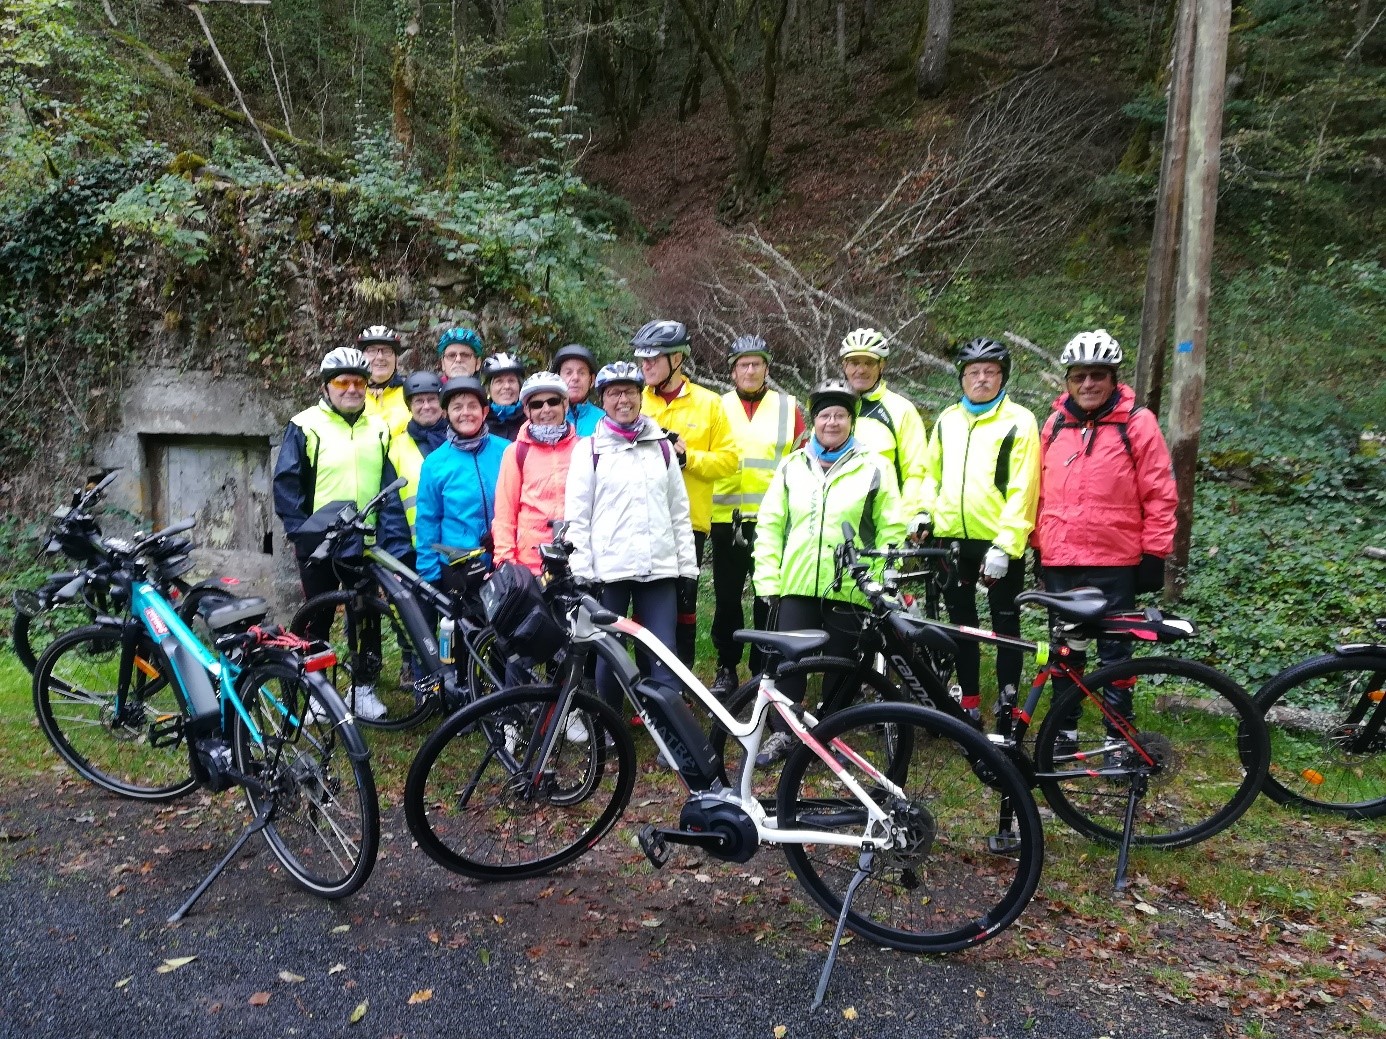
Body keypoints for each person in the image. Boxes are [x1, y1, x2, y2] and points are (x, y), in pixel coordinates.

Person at [752, 378, 906, 765]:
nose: (832, 422)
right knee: (788, 667)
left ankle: (826, 733)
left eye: (840, 415)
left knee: (841, 666)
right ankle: (785, 734)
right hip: (797, 583)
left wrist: (882, 578)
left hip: (850, 586)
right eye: (825, 415)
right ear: (814, 422)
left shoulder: (875, 467)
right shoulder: (792, 465)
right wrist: (768, 577)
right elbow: (770, 524)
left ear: (851, 422)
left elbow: (891, 528)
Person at [1033, 329, 1178, 734]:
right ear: (1068, 381)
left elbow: (1160, 492)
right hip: (1061, 559)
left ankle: (1119, 737)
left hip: (1115, 560)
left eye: (1098, 375)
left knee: (1115, 655)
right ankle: (1064, 732)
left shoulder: (1137, 423)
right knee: (1065, 652)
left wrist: (1155, 554)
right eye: (1079, 376)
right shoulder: (1055, 425)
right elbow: (1039, 491)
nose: (1088, 384)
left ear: (1114, 379)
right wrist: (1037, 545)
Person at [272, 347, 411, 720]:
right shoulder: (305, 425)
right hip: (320, 543)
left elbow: (387, 489)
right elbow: (287, 487)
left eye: (359, 382)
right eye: (342, 382)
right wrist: (302, 535)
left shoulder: (379, 427)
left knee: (365, 616)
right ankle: (317, 691)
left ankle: (363, 689)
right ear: (326, 386)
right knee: (317, 618)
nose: (351, 389)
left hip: (362, 540)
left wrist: (389, 540)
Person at [918, 337, 1040, 724]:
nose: (981, 379)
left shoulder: (1020, 420)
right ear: (962, 378)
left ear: (1002, 377)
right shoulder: (947, 420)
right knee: (961, 626)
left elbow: (1025, 487)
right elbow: (928, 473)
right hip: (951, 538)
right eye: (974, 372)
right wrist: (923, 512)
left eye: (990, 372)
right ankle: (968, 702)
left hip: (997, 540)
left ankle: (1007, 703)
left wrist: (1006, 544)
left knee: (1006, 625)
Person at [565, 361, 697, 713]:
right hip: (610, 571)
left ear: (641, 397)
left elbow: (678, 512)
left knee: (663, 652)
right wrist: (582, 571)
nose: (623, 399)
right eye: (613, 393)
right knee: (611, 652)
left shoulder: (663, 447)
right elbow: (577, 517)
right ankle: (611, 722)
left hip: (659, 569)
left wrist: (688, 570)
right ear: (603, 400)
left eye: (630, 392)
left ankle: (667, 725)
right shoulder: (588, 450)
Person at [632, 319, 738, 669]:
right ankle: (643, 682)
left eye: (653, 360)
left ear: (677, 359)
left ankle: (681, 683)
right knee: (643, 606)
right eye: (641, 360)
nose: (645, 367)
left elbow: (728, 462)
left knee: (684, 606)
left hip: (687, 522)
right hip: (639, 521)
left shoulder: (709, 404)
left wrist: (686, 456)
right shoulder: (633, 400)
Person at [708, 335, 806, 697]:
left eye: (757, 364)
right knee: (727, 598)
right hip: (725, 517)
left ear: (767, 368)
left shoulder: (787, 407)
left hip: (772, 519)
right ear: (732, 370)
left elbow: (801, 459)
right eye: (743, 364)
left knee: (769, 596)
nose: (750, 370)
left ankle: (764, 666)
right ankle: (726, 666)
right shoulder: (717, 407)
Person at [413, 376, 509, 589]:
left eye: (472, 406)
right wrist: (430, 574)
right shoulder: (435, 463)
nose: (465, 413)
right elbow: (428, 520)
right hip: (458, 565)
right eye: (457, 407)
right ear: (446, 414)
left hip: (503, 560)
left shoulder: (506, 451)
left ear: (484, 412)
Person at [839, 327, 929, 530]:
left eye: (869, 363)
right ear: (844, 366)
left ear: (882, 366)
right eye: (854, 363)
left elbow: (916, 471)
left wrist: (906, 518)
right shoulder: (833, 406)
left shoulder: (901, 409)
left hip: (885, 522)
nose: (861, 370)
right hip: (839, 521)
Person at [492, 371, 580, 574]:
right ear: (526, 409)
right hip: (532, 563)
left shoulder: (583, 448)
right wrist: (505, 562)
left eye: (553, 401)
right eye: (537, 404)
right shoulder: (516, 452)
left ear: (565, 404)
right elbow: (505, 514)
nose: (546, 409)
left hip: (578, 560)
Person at [387, 370, 449, 536]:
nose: (426, 406)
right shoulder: (396, 449)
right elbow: (391, 511)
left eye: (432, 400)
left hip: (464, 546)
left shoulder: (460, 440)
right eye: (419, 401)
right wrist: (402, 554)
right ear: (410, 406)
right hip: (418, 551)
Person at [357, 325, 411, 437]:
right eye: (371, 351)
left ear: (396, 360)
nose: (380, 357)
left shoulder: (411, 393)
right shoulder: (350, 394)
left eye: (387, 351)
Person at [551, 343, 605, 435]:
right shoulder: (546, 417)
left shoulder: (604, 421)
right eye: (568, 372)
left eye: (582, 373)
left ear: (592, 380)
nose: (575, 378)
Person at [481, 352, 526, 441]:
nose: (506, 386)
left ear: (520, 386)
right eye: (499, 381)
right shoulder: (479, 420)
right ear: (489, 389)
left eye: (511, 380)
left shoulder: (531, 419)